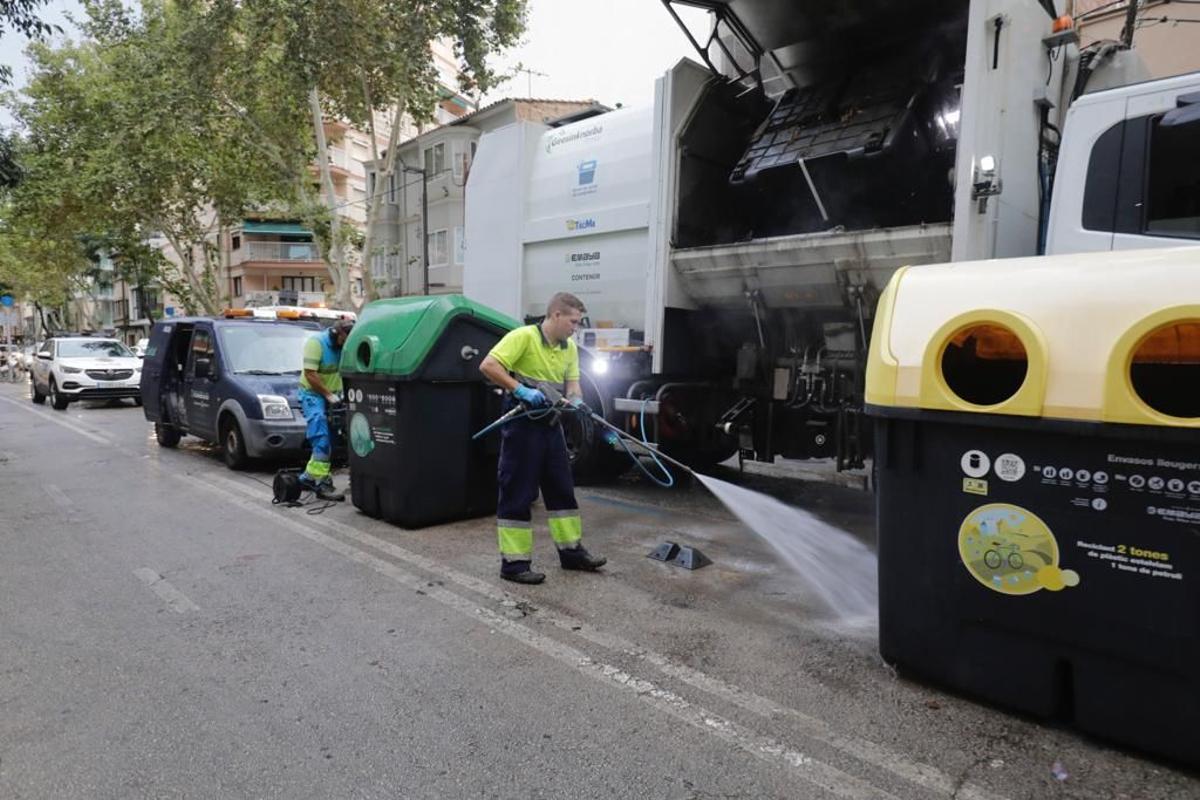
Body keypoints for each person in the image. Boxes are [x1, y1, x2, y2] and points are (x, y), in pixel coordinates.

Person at [478, 292, 607, 584]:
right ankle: (514, 565)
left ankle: (572, 553)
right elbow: (488, 365)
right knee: (518, 490)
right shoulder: (523, 337)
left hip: (551, 424)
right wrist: (520, 389)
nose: (575, 328)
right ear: (556, 315)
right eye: (573, 322)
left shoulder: (569, 348)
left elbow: (573, 386)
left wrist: (576, 401)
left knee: (562, 487)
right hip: (522, 424)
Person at [298, 319, 354, 500]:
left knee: (332, 439)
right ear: (336, 333)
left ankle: (307, 478)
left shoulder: (344, 345)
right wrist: (328, 395)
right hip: (312, 395)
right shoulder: (316, 344)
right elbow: (310, 374)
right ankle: (321, 483)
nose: (346, 344)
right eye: (344, 339)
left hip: (335, 395)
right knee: (321, 436)